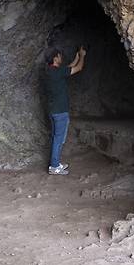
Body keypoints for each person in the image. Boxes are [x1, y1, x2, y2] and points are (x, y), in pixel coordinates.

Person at [44, 46, 87, 175]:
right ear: (56, 58)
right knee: (58, 139)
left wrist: (77, 56)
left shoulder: (50, 71)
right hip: (60, 112)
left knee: (55, 138)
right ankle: (54, 166)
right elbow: (78, 68)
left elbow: (68, 68)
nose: (61, 57)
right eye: (60, 56)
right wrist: (83, 56)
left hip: (53, 110)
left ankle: (55, 163)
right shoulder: (57, 72)